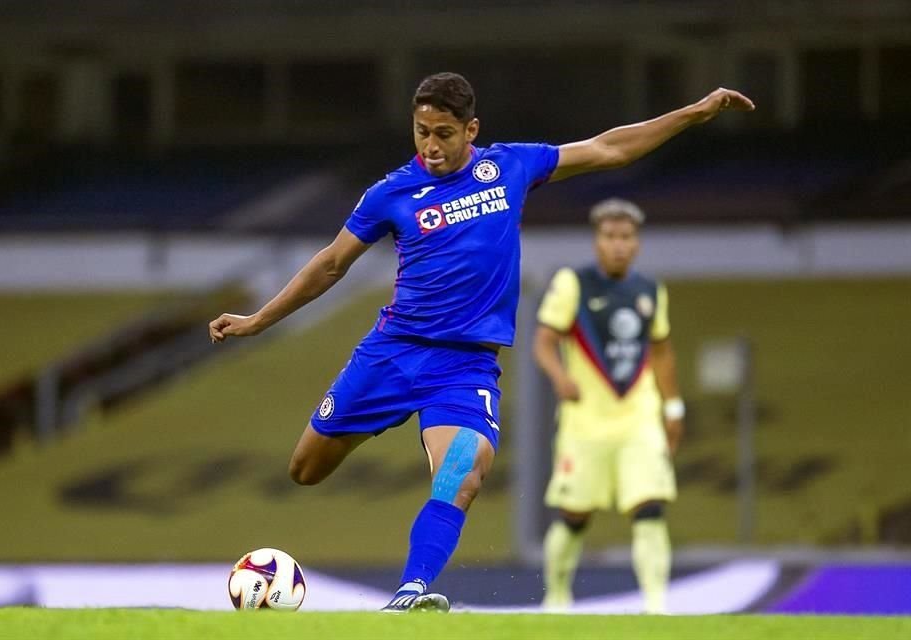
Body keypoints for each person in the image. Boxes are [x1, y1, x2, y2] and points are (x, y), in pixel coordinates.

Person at [208, 72, 752, 613]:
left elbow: (607, 149)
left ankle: (410, 591)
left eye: (443, 133)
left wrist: (691, 114)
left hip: (463, 370)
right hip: (392, 354)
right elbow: (330, 264)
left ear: (471, 129)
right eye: (421, 132)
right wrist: (259, 320)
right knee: (305, 470)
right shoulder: (390, 193)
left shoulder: (509, 166)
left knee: (460, 473)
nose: (431, 145)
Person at [535, 198, 684, 614]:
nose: (618, 245)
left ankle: (656, 605)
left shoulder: (651, 290)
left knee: (650, 506)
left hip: (638, 418)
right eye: (610, 236)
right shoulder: (573, 283)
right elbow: (544, 340)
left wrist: (673, 408)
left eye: (626, 237)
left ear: (636, 243)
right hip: (585, 421)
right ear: (597, 240)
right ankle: (558, 596)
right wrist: (560, 377)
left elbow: (662, 350)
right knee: (574, 514)